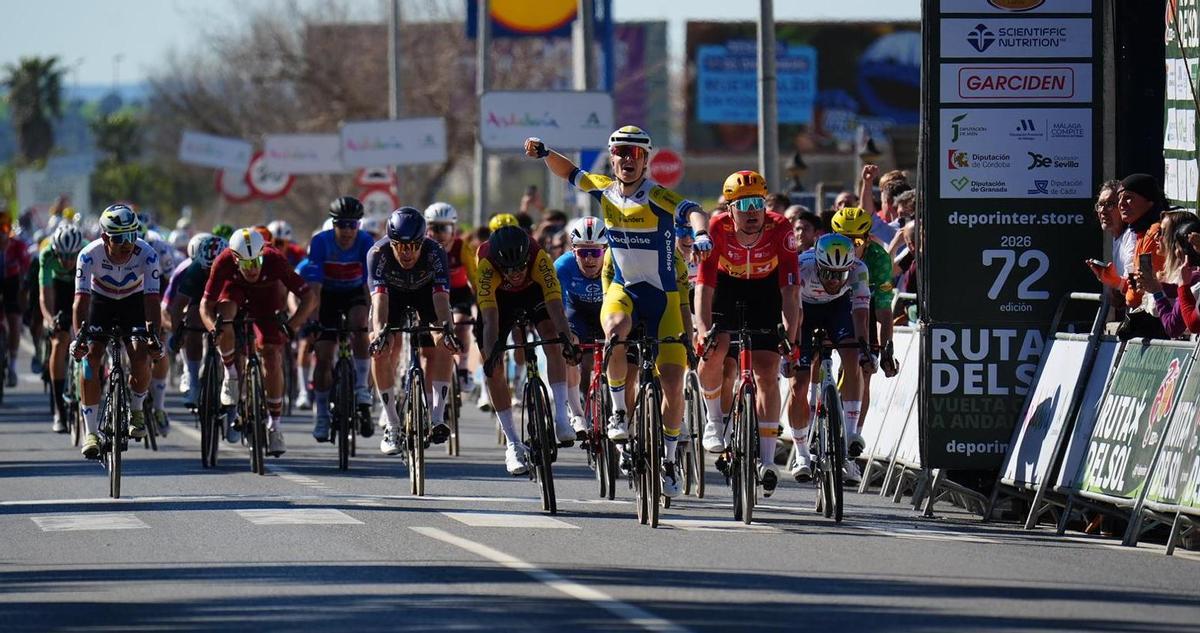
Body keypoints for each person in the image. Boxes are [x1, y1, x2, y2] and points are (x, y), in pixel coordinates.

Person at [524, 125, 712, 497]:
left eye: (635, 153)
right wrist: (546, 152)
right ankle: (618, 413)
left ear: (645, 159)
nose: (627, 159)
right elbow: (569, 171)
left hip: (664, 298)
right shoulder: (604, 189)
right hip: (623, 289)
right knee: (614, 330)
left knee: (673, 384)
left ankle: (670, 460)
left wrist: (702, 234)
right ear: (612, 158)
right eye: (621, 153)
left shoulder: (656, 195)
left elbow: (693, 212)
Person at [695, 171, 801, 498]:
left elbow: (791, 289)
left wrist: (791, 335)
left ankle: (767, 461)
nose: (752, 211)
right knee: (717, 350)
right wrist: (702, 332)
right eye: (743, 205)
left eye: (758, 203)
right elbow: (704, 286)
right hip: (726, 288)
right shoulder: (716, 229)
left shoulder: (781, 229)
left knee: (768, 371)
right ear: (729, 209)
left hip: (767, 290)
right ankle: (715, 421)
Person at [475, 225, 580, 475]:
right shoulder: (486, 265)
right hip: (500, 302)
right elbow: (490, 320)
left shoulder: (538, 257)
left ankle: (562, 419)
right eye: (509, 270)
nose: (516, 274)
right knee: (494, 368)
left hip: (535, 294)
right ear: (499, 265)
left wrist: (566, 340)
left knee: (553, 338)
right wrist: (491, 356)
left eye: (520, 267)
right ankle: (512, 443)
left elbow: (556, 307)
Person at [201, 228, 316, 455]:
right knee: (225, 317)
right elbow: (206, 306)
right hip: (234, 292)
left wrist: (291, 326)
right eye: (245, 263)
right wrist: (214, 329)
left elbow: (309, 298)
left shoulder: (274, 259)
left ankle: (274, 427)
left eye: (256, 261)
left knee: (272, 356)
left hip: (265, 298)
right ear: (235, 258)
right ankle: (231, 376)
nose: (252, 268)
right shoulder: (223, 261)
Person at [72, 204, 164, 459]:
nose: (127, 244)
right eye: (120, 238)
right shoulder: (89, 255)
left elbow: (152, 300)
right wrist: (80, 337)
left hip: (134, 303)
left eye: (132, 235)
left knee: (141, 355)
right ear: (104, 237)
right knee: (90, 359)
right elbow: (81, 301)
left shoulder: (147, 255)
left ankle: (136, 409)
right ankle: (90, 432)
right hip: (100, 302)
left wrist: (153, 336)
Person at [368, 207, 461, 455]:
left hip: (426, 295)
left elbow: (441, 298)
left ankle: (438, 416)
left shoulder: (435, 251)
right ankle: (392, 424)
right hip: (392, 297)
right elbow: (379, 302)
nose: (407, 252)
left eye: (414, 246)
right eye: (400, 246)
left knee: (444, 340)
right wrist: (379, 332)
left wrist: (446, 328)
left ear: (423, 241)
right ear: (392, 242)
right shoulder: (378, 253)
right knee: (380, 349)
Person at [787, 233, 876, 482]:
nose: (835, 280)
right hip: (803, 310)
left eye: (841, 275)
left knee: (852, 355)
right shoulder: (802, 267)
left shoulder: (859, 269)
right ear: (818, 265)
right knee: (799, 382)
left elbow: (861, 314)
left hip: (837, 309)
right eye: (828, 273)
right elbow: (794, 315)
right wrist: (792, 349)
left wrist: (865, 349)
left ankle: (848, 439)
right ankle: (803, 454)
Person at [300, 197, 376, 442]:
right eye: (342, 224)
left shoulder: (366, 241)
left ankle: (362, 386)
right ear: (334, 225)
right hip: (328, 295)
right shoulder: (320, 242)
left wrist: (374, 317)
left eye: (353, 225)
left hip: (354, 293)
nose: (347, 230)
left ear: (359, 225)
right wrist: (313, 320)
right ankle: (321, 414)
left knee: (360, 322)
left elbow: (369, 285)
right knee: (323, 357)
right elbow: (315, 287)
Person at [555, 216, 608, 434]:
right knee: (570, 349)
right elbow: (556, 305)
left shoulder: (616, 262)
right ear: (573, 251)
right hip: (577, 314)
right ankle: (577, 413)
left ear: (605, 249)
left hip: (607, 313)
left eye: (595, 252)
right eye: (582, 252)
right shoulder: (563, 266)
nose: (589, 259)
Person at [163, 233, 226, 408]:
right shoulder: (193, 270)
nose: (209, 273)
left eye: (213, 269)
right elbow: (176, 306)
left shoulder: (230, 266)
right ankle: (193, 380)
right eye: (206, 269)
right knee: (192, 322)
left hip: (226, 297)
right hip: (202, 298)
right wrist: (179, 333)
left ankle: (230, 380)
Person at [424, 202, 477, 393]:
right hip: (432, 294)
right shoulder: (422, 247)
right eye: (434, 228)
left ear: (453, 228)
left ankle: (463, 369)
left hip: (458, 292)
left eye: (444, 228)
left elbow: (475, 278)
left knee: (462, 323)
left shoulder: (462, 247)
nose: (439, 234)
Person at [39, 224, 85, 433]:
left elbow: (90, 295)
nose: (67, 261)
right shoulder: (47, 255)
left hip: (79, 289)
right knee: (59, 342)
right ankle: (59, 410)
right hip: (57, 290)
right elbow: (45, 294)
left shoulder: (86, 253)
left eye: (71, 256)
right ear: (55, 250)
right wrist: (50, 320)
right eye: (62, 256)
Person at [0, 217, 31, 386]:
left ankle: (12, 364)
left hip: (12, 283)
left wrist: (24, 292)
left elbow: (25, 268)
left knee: (15, 320)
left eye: (3, 229)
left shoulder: (18, 246)